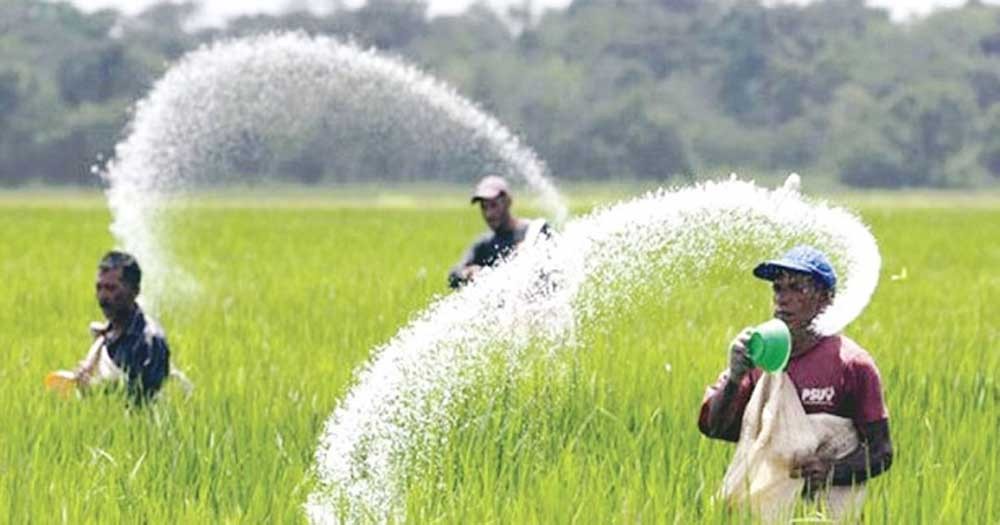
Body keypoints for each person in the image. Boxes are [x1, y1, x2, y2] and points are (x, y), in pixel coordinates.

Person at [698, 245, 892, 496]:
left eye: (797, 288)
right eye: (778, 288)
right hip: (763, 508)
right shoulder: (757, 357)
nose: (783, 298)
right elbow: (717, 429)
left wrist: (832, 471)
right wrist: (735, 378)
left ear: (825, 299)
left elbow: (881, 452)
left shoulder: (852, 364)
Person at [74, 251, 170, 404]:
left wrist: (93, 389)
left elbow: (142, 403)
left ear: (135, 291)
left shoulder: (148, 342)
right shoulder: (105, 335)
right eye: (99, 288)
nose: (103, 297)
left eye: (111, 288)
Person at [448, 175, 549, 289]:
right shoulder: (484, 245)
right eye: (484, 207)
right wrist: (469, 273)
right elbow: (453, 275)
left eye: (494, 205)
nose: (489, 214)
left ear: (507, 202)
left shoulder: (534, 231)